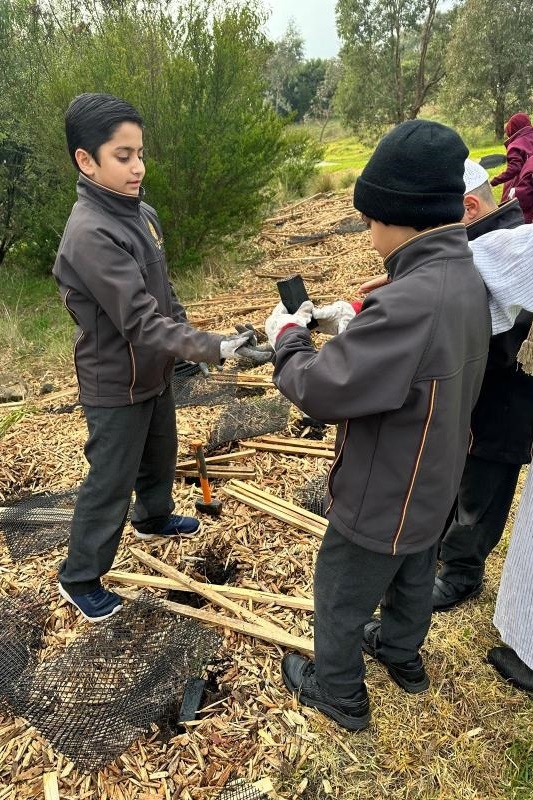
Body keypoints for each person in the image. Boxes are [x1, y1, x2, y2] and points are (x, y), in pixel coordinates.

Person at [264, 120, 491, 731]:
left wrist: (288, 339)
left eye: (370, 221)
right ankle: (401, 655)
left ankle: (338, 693)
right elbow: (415, 363)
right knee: (415, 571)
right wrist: (361, 319)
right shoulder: (465, 276)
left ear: (401, 217)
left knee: (339, 590)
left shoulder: (410, 301)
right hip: (436, 477)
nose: (367, 233)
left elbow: (322, 388)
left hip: (384, 488)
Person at [53, 93, 259, 623]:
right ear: (86, 160)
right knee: (110, 479)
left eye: (140, 153)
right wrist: (214, 348)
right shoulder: (90, 234)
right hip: (114, 379)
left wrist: (204, 339)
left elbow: (163, 301)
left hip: (154, 370)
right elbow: (140, 321)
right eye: (123, 156)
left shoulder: (142, 213)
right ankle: (78, 577)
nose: (138, 166)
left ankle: (155, 517)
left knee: (159, 452)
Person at [432, 159, 533, 612]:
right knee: (462, 480)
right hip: (479, 400)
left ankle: (462, 575)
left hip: (506, 403)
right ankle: (446, 555)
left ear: (469, 207)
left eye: (437, 224)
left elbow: (498, 344)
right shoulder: (477, 243)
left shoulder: (508, 254)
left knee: (482, 492)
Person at [490, 113, 533, 209]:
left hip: (522, 184)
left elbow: (514, 168)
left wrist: (494, 181)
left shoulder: (516, 145)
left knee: (510, 208)